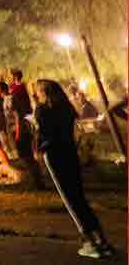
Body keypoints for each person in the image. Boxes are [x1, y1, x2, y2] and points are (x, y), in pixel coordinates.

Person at [34, 80, 116, 259]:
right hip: (70, 152)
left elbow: (42, 133)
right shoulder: (66, 108)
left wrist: (37, 148)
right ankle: (102, 240)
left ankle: (91, 243)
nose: (36, 94)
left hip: (54, 154)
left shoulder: (41, 109)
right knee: (79, 197)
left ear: (44, 93)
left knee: (70, 199)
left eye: (38, 91)